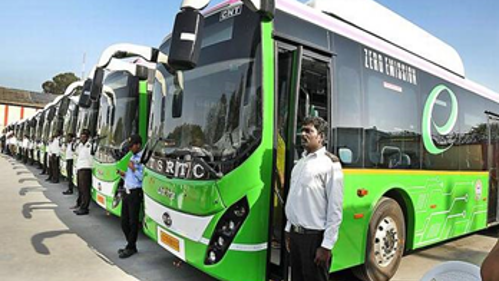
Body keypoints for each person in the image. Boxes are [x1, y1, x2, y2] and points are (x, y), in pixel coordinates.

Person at [284, 116, 344, 281]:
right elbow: (294, 200)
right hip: (296, 237)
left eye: (309, 131)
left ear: (321, 137)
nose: (303, 134)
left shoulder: (330, 164)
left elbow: (335, 208)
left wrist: (326, 246)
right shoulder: (300, 164)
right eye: (302, 130)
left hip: (314, 239)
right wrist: (289, 229)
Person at [117, 134, 144, 259]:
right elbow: (129, 177)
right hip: (127, 191)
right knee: (124, 222)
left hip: (135, 192)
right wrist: (123, 174)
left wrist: (133, 169)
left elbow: (143, 177)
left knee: (133, 222)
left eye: (132, 146)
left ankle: (131, 247)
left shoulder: (142, 158)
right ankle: (130, 244)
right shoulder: (131, 157)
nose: (130, 148)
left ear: (138, 145)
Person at [74, 129, 93, 215]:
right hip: (80, 168)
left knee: (85, 190)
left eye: (84, 137)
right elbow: (77, 154)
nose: (82, 138)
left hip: (86, 169)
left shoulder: (89, 146)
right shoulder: (81, 146)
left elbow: (90, 159)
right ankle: (81, 205)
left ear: (87, 137)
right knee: (80, 188)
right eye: (81, 136)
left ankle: (85, 208)